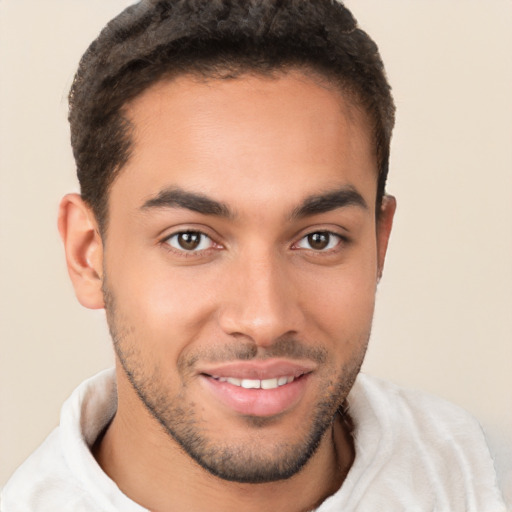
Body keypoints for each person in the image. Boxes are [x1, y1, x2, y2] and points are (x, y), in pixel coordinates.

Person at [1, 1, 507, 510]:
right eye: (191, 239)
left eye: (319, 239)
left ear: (379, 243)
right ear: (89, 254)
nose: (265, 319)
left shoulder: (481, 475)